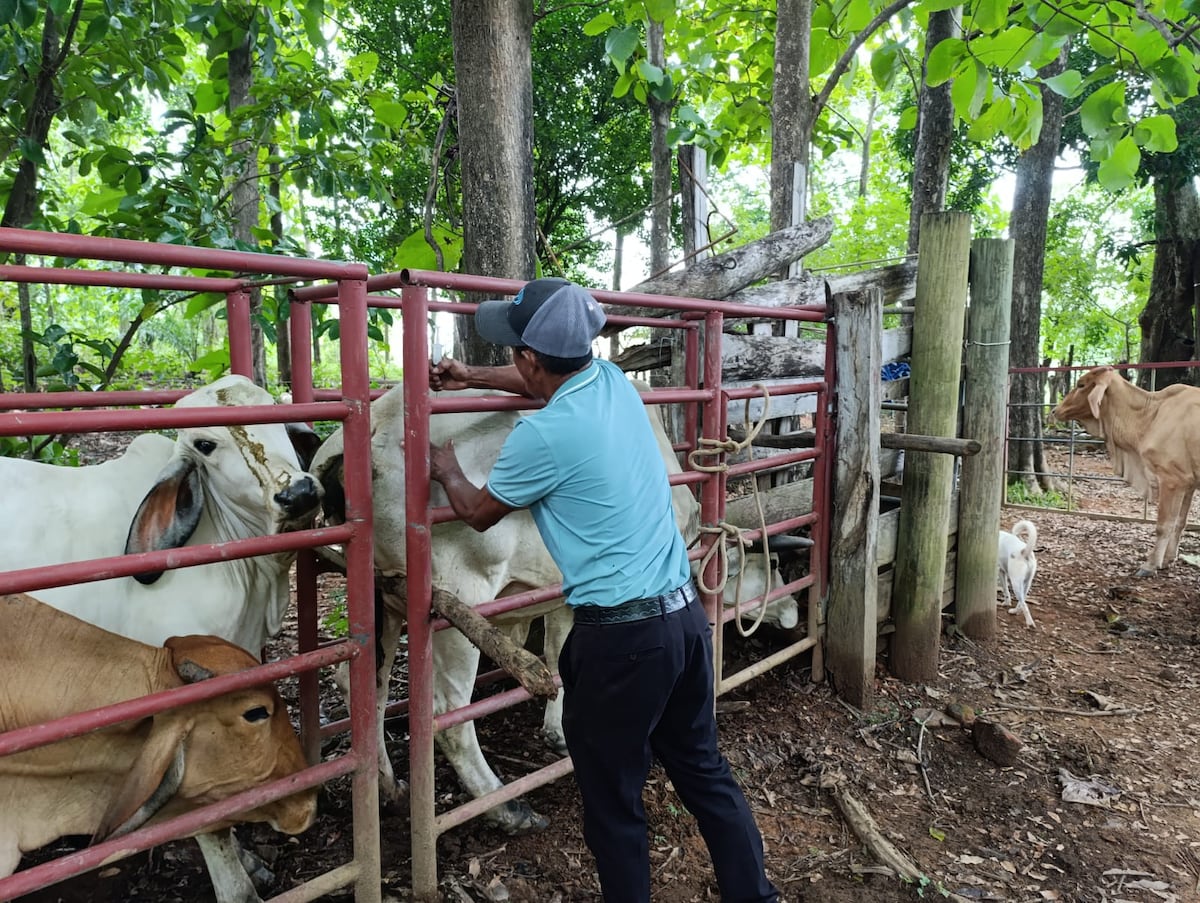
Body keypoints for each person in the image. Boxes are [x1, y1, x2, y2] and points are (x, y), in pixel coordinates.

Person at [427, 276, 780, 903]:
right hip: (683, 625)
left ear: (531, 358)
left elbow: (479, 514)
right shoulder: (615, 385)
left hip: (620, 643)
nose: (513, 360)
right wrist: (473, 377)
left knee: (614, 806)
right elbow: (540, 382)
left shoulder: (542, 436)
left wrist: (447, 467)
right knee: (704, 771)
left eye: (514, 351)